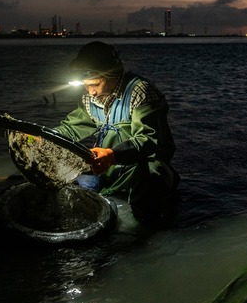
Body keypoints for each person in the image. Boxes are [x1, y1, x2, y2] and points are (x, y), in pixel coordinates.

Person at [54, 41, 179, 224]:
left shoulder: (141, 92)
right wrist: (43, 137)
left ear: (112, 74)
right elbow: (71, 127)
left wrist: (112, 155)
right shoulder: (90, 97)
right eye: (86, 85)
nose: (91, 92)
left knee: (150, 189)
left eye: (95, 84)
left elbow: (148, 140)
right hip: (108, 167)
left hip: (143, 166)